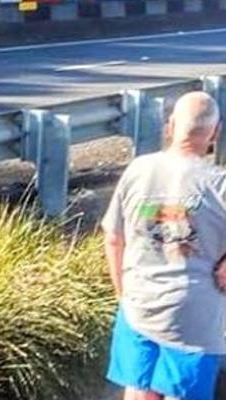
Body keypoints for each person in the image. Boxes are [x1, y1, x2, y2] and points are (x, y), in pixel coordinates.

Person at [103, 91, 226, 400]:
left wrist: (122, 295)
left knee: (138, 390)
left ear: (170, 126)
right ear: (215, 132)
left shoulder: (137, 170)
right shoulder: (219, 184)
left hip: (138, 304)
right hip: (194, 317)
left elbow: (114, 238)